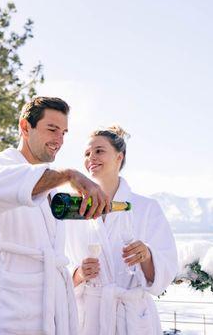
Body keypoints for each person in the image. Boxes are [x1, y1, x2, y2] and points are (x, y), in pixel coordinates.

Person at [0, 96, 110, 335]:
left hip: (53, 309)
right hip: (12, 308)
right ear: (25, 127)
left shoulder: (51, 187)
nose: (59, 140)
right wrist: (69, 174)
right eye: (52, 129)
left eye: (64, 133)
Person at [65, 126, 178, 335]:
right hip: (89, 318)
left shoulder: (147, 208)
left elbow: (166, 268)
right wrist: (79, 274)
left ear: (119, 157)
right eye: (87, 153)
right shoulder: (74, 210)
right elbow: (59, 265)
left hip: (132, 318)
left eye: (99, 151)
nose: (91, 158)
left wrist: (147, 255)